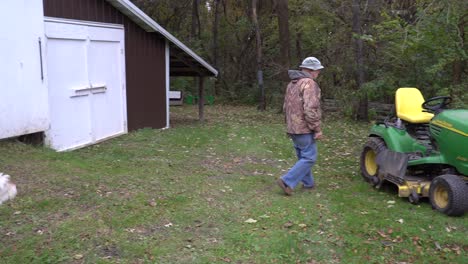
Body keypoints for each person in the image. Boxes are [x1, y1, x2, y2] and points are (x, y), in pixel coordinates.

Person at [277, 56, 324, 196]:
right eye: (317, 70)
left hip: (292, 127)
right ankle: (287, 181)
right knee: (309, 158)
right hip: (303, 128)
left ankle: (308, 184)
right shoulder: (309, 83)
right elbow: (310, 109)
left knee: (303, 156)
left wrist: (289, 125)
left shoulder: (292, 84)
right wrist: (317, 128)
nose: (318, 73)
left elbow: (286, 107)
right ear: (311, 70)